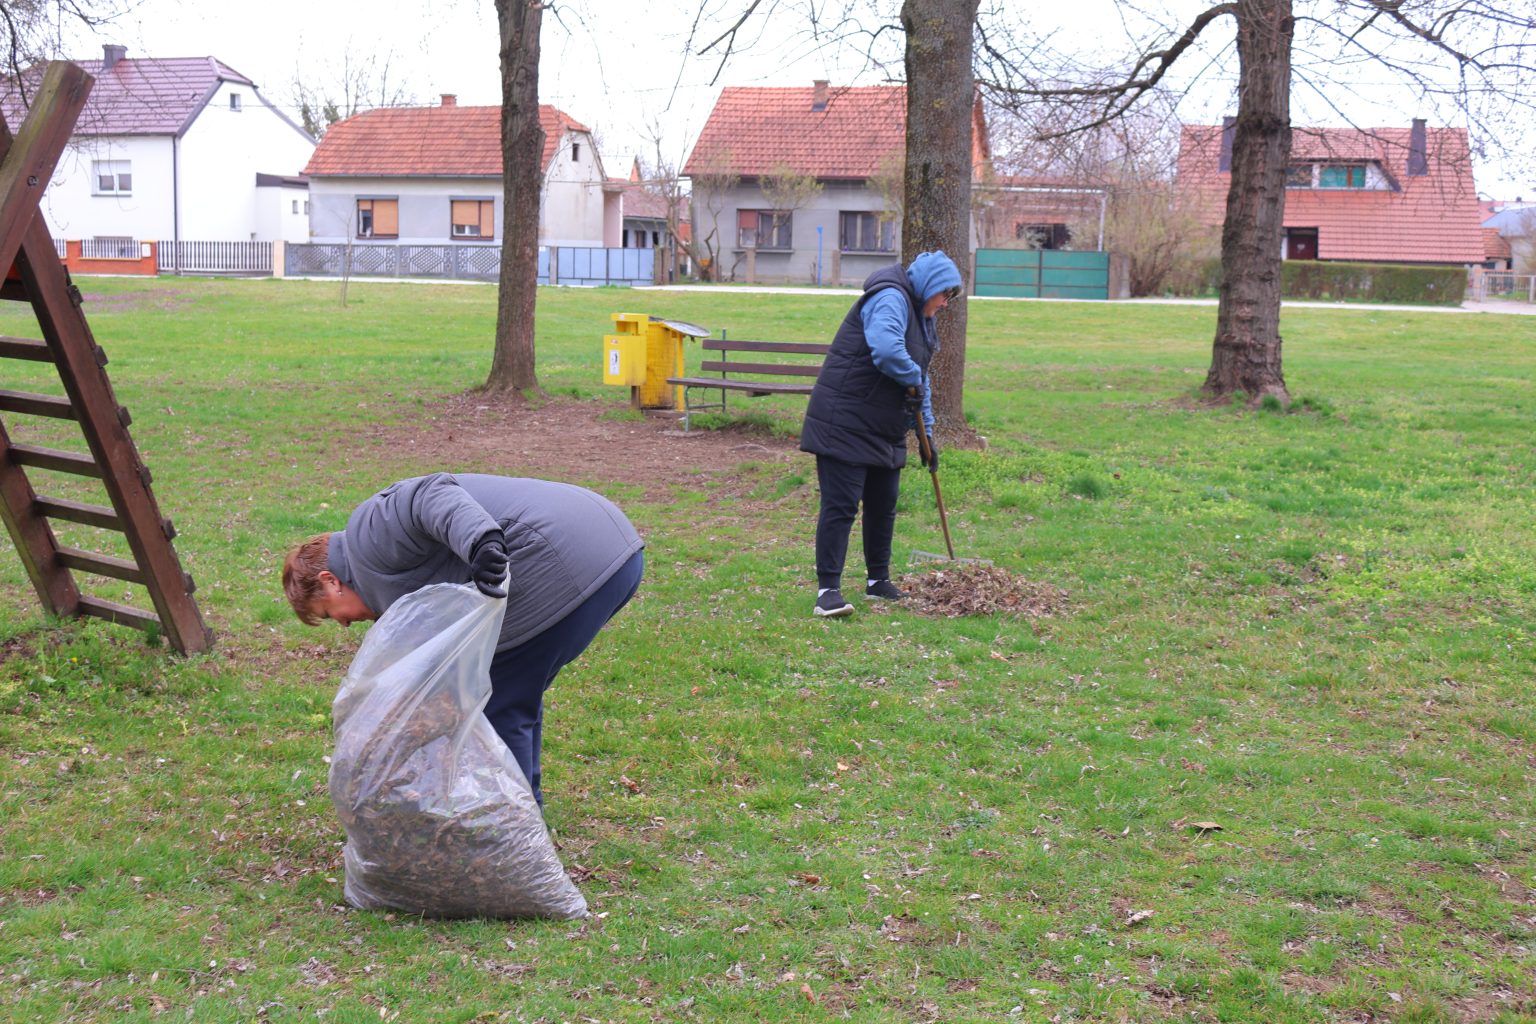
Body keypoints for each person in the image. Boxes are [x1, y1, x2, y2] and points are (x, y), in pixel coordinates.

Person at [282, 472, 644, 807]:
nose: (343, 624)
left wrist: (481, 543)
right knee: (512, 693)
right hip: (613, 553)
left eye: (330, 612)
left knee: (499, 702)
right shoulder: (386, 584)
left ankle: (511, 834)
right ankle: (521, 818)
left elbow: (429, 494)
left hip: (565, 553)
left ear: (331, 580)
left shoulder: (369, 534)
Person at [798, 250, 962, 618]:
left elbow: (923, 378)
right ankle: (828, 591)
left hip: (883, 424)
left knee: (883, 505)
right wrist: (912, 381)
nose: (946, 303)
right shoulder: (890, 296)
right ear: (930, 287)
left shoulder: (923, 316)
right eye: (944, 294)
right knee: (841, 507)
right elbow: (887, 351)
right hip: (846, 418)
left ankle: (877, 581)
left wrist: (927, 437)